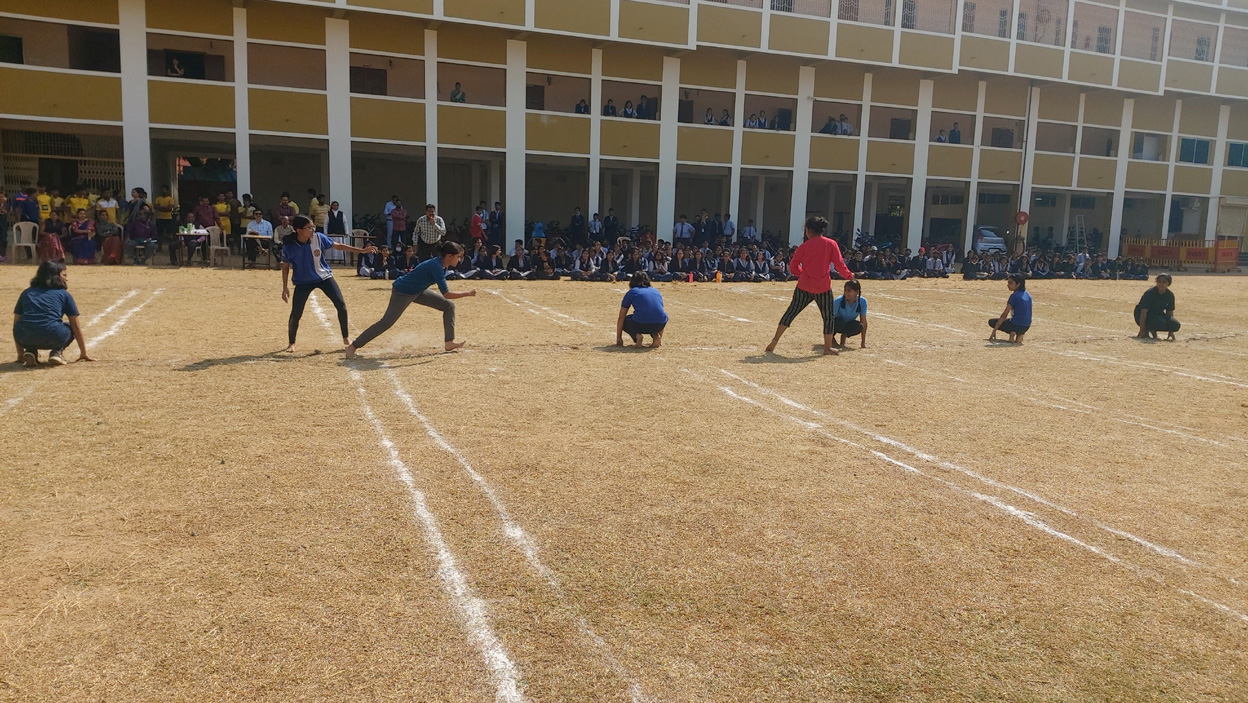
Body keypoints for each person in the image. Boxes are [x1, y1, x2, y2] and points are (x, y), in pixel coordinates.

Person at [346, 242, 475, 359]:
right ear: (449, 256)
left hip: (418, 290)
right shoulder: (436, 266)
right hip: (402, 291)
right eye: (458, 256)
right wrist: (468, 293)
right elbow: (446, 294)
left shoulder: (442, 264)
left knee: (449, 306)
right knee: (386, 322)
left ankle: (449, 342)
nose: (459, 259)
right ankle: (353, 346)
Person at [281, 215, 377, 353]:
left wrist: (361, 251)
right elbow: (285, 267)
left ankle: (346, 337)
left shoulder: (318, 237)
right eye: (309, 228)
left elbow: (337, 246)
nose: (313, 230)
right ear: (299, 230)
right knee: (296, 312)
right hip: (303, 281)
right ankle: (291, 343)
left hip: (323, 277)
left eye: (313, 227)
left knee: (340, 304)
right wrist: (285, 288)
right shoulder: (289, 246)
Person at [765, 216, 854, 356]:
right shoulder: (831, 244)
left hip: (804, 286)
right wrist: (849, 275)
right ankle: (827, 347)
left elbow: (793, 267)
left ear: (809, 231)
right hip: (823, 287)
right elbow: (839, 265)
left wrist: (802, 273)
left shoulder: (804, 246)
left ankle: (775, 340)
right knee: (828, 317)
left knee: (791, 312)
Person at [13, 261, 92, 367]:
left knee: (30, 325)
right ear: (55, 277)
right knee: (69, 326)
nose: (66, 279)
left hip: (23, 336)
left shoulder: (27, 292)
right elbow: (75, 326)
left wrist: (20, 354)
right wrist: (83, 353)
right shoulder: (64, 294)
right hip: (53, 335)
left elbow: (16, 324)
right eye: (64, 275)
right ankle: (57, 352)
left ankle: (30, 351)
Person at [616, 271, 667, 349]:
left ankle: (637, 337)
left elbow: (621, 317)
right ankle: (656, 337)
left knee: (626, 320)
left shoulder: (632, 292)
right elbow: (659, 313)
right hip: (659, 324)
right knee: (656, 316)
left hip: (641, 324)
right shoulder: (656, 291)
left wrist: (619, 338)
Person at [988, 273, 1032, 344]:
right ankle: (1020, 334)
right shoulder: (1028, 295)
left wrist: (994, 331)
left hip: (1015, 325)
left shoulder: (1014, 296)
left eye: (1011, 283)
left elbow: (1004, 314)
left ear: (1018, 284)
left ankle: (1013, 332)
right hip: (1026, 326)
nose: (1008, 285)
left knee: (992, 322)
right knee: (1015, 322)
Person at [1134, 273, 1180, 341]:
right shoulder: (1150, 293)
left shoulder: (1170, 295)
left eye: (1164, 282)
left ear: (1168, 283)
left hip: (1158, 314)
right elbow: (1143, 312)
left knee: (1175, 325)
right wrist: (1142, 330)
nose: (1161, 284)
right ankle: (1149, 330)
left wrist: (1171, 331)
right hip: (1144, 314)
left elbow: (1169, 312)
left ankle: (1153, 330)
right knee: (1160, 323)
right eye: (1159, 281)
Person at [832, 279, 868, 349]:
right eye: (845, 290)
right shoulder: (838, 301)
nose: (846, 293)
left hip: (848, 324)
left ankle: (844, 336)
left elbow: (863, 321)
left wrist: (863, 342)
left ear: (856, 292)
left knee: (859, 326)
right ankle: (831, 339)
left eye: (849, 291)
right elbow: (830, 319)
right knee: (840, 321)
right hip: (837, 324)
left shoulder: (863, 302)